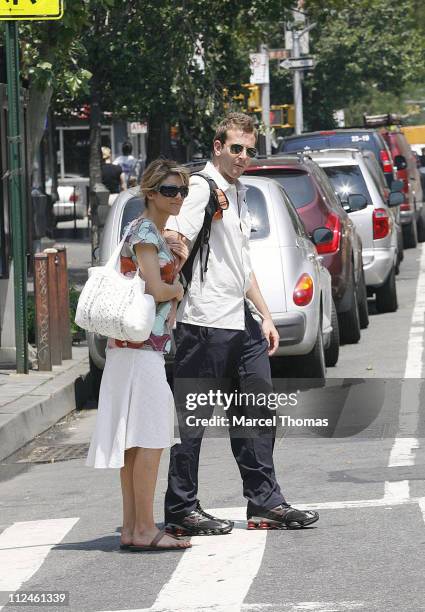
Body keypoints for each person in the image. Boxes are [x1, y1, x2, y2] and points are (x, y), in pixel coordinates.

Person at [163, 112, 319, 535]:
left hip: (241, 321)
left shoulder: (240, 192)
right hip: (203, 321)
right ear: (218, 147)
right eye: (236, 148)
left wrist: (266, 315)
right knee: (193, 420)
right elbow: (175, 237)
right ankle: (181, 509)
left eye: (249, 150)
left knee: (256, 412)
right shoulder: (200, 187)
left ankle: (265, 503)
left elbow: (242, 265)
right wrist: (173, 284)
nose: (243, 157)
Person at [86, 158, 192, 552]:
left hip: (129, 350)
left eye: (182, 190)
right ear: (150, 193)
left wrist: (174, 262)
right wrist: (177, 288)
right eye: (169, 190)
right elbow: (154, 290)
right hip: (142, 350)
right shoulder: (146, 231)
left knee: (134, 443)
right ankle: (145, 528)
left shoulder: (148, 233)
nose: (178, 196)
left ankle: (133, 528)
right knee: (149, 439)